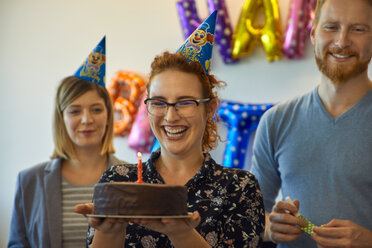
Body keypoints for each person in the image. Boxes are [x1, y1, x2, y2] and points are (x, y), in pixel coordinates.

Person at [75, 11, 265, 248]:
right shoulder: (118, 182)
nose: (170, 116)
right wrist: (109, 231)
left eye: (185, 102)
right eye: (159, 103)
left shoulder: (240, 187)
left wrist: (181, 233)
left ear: (210, 108)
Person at [250, 0, 372, 247]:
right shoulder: (276, 121)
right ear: (313, 33)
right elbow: (249, 218)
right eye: (331, 27)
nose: (341, 41)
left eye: (358, 29)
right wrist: (270, 228)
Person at [8, 37, 124, 248]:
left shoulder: (132, 178)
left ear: (108, 115)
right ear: (61, 118)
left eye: (96, 109)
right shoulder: (29, 181)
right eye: (75, 111)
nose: (87, 119)